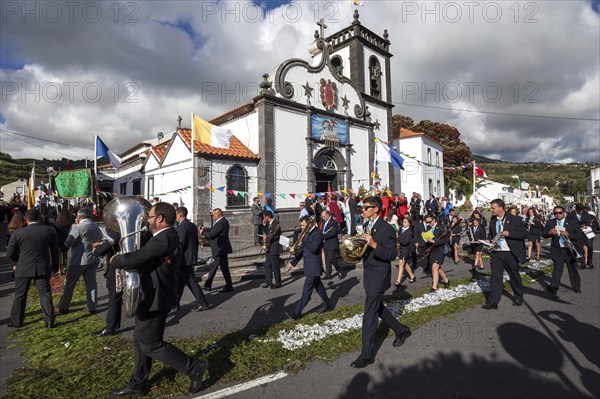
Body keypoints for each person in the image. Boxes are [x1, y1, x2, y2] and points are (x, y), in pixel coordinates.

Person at [109, 202, 208, 397]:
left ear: (160, 219)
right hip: (150, 296)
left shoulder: (166, 238)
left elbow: (139, 257)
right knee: (140, 341)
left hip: (157, 297)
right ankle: (137, 384)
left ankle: (194, 367)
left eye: (150, 217)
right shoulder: (162, 237)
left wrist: (117, 260)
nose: (147, 220)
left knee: (151, 344)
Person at [350, 196, 411, 368]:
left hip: (379, 276)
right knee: (378, 308)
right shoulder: (368, 225)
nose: (362, 210)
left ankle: (367, 355)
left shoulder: (387, 229)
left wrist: (374, 244)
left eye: (366, 207)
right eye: (362, 207)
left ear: (376, 209)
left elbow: (391, 254)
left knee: (369, 316)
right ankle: (401, 330)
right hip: (370, 274)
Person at [7, 208, 59, 328]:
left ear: (26, 218)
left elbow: (10, 253)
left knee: (20, 295)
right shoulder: (49, 230)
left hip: (23, 267)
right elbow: (55, 251)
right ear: (39, 218)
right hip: (42, 266)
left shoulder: (18, 233)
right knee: (45, 294)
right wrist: (55, 266)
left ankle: (17, 321)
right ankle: (50, 319)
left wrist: (17, 262)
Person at [56, 207, 103, 315]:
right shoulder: (96, 226)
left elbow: (68, 242)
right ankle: (92, 307)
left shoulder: (78, 227)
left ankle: (63, 307)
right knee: (91, 284)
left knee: (69, 284)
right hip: (92, 257)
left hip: (78, 259)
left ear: (79, 216)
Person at [482, 198, 527, 310]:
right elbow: (491, 234)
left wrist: (510, 233)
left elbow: (524, 234)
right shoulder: (493, 220)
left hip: (510, 253)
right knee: (495, 277)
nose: (491, 210)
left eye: (493, 208)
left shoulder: (515, 219)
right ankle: (493, 301)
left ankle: (518, 296)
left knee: (514, 275)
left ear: (500, 208)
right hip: (497, 252)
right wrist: (488, 240)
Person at [286, 216, 333, 319]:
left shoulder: (318, 234)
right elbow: (302, 250)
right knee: (319, 287)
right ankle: (328, 305)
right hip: (309, 266)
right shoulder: (307, 235)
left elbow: (314, 248)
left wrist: (305, 238)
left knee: (306, 291)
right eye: (301, 225)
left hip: (314, 266)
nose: (302, 228)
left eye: (303, 225)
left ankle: (296, 313)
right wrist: (293, 262)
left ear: (309, 224)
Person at [176, 207, 210, 312]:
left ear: (180, 215)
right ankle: (174, 303)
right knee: (180, 281)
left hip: (184, 259)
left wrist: (176, 256)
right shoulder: (192, 225)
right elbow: (195, 241)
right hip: (189, 257)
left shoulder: (182, 226)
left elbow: (180, 243)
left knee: (191, 281)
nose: (175, 218)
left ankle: (203, 302)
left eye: (176, 215)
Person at [542, 206, 581, 295]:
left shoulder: (572, 222)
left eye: (560, 212)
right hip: (557, 249)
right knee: (557, 268)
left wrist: (569, 234)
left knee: (572, 268)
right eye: (555, 213)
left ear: (564, 212)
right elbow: (544, 234)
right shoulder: (550, 222)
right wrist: (550, 233)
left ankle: (576, 286)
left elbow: (579, 235)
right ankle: (554, 286)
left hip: (569, 249)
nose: (558, 215)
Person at [200, 208, 234, 293]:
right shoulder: (221, 222)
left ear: (218, 214)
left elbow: (212, 234)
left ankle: (211, 285)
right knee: (219, 267)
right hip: (220, 248)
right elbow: (213, 230)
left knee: (220, 267)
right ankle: (210, 284)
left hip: (220, 249)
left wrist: (203, 234)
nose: (212, 216)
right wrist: (205, 229)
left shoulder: (221, 222)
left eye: (213, 214)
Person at [422, 214, 450, 293]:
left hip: (440, 250)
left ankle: (434, 287)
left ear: (434, 219)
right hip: (432, 250)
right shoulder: (428, 227)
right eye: (427, 222)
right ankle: (446, 280)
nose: (428, 224)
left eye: (429, 222)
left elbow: (446, 240)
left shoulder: (441, 227)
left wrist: (434, 241)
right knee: (438, 268)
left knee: (434, 268)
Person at [321, 210, 344, 279]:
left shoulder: (333, 222)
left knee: (331, 258)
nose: (323, 218)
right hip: (325, 243)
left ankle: (339, 269)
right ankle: (328, 274)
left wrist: (323, 236)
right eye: (322, 217)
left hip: (332, 243)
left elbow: (333, 233)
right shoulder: (323, 222)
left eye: (324, 216)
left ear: (328, 215)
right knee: (327, 259)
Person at [261, 211, 282, 288]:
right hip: (269, 247)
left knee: (275, 266)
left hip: (274, 247)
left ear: (267, 217)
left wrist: (268, 238)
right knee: (267, 265)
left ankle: (278, 282)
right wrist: (263, 225)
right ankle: (268, 281)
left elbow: (276, 236)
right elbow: (268, 232)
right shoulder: (269, 224)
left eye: (264, 217)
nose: (264, 219)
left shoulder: (276, 223)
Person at [394, 217, 416, 286]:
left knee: (401, 263)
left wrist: (398, 239)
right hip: (401, 249)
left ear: (409, 223)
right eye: (403, 222)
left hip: (406, 250)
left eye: (406, 222)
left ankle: (398, 281)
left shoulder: (409, 231)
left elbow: (406, 242)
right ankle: (412, 276)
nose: (404, 223)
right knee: (405, 263)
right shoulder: (401, 229)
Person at [53, 209, 74, 275]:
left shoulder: (56, 223)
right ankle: (66, 267)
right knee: (65, 255)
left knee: (58, 256)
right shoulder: (69, 222)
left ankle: (59, 270)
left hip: (58, 240)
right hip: (66, 238)